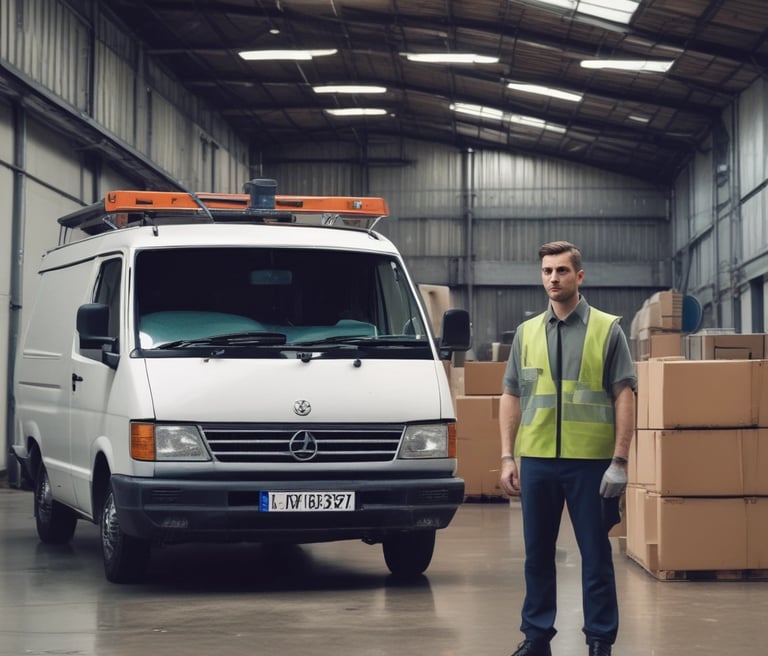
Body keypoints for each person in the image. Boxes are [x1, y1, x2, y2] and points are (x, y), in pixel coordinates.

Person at [499, 241, 636, 656]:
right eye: (547, 271)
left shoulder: (607, 329)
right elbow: (511, 395)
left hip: (591, 463)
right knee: (537, 555)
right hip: (538, 460)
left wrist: (620, 461)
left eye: (561, 270)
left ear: (579, 276)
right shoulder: (526, 333)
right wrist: (507, 456)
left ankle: (599, 639)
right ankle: (536, 636)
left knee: (595, 556)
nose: (553, 278)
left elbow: (624, 394)